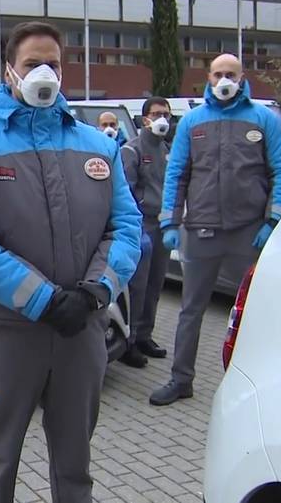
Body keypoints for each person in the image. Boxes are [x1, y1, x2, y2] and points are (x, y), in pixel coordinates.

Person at [0, 21, 142, 502]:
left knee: (75, 464)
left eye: (52, 63)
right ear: (10, 70)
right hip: (7, 332)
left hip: (81, 329)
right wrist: (44, 301)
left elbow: (127, 226)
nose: (43, 72)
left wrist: (98, 290)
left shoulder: (99, 147)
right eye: (32, 64)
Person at [151, 54, 281, 406]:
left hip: (248, 232)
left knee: (254, 312)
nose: (225, 79)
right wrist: (170, 222)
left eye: (231, 74)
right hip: (200, 232)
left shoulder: (264, 120)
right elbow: (177, 173)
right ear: (209, 78)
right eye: (218, 74)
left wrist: (272, 221)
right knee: (190, 311)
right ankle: (181, 379)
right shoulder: (193, 122)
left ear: (242, 77)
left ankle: (254, 384)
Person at [119, 97, 173, 369]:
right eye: (157, 114)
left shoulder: (166, 149)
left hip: (162, 224)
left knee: (155, 284)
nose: (163, 119)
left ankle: (144, 335)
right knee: (137, 286)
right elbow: (125, 190)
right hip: (141, 225)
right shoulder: (132, 150)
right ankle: (127, 342)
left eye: (167, 114)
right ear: (144, 119)